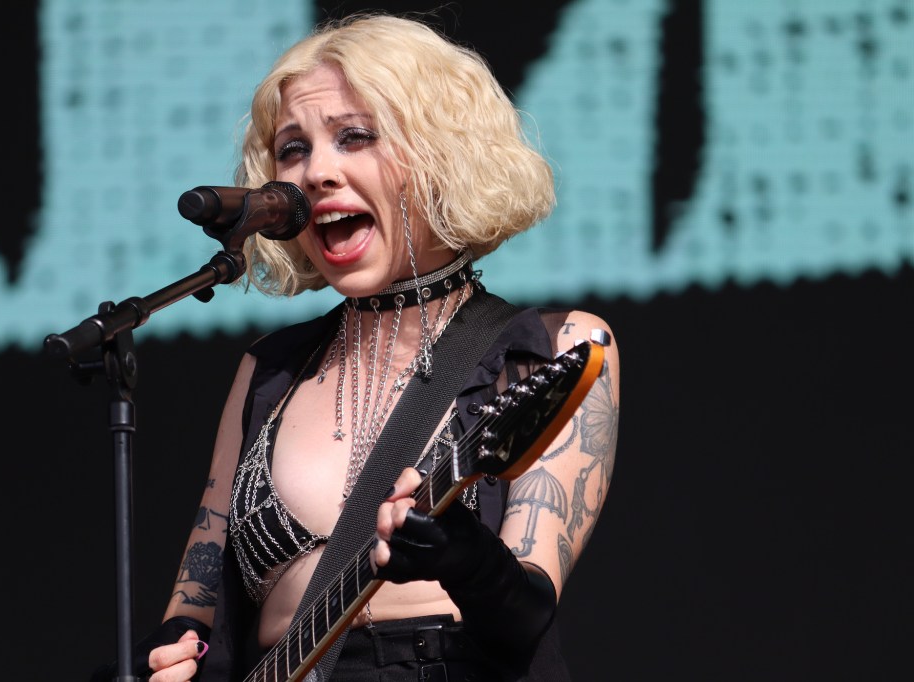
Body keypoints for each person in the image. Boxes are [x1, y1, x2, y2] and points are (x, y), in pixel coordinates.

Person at [92, 12, 620, 682]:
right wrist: (166, 656)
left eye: (355, 137)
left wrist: (464, 558)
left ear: (441, 154)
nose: (316, 172)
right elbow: (198, 610)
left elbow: (524, 621)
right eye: (293, 149)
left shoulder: (552, 347)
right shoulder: (269, 371)